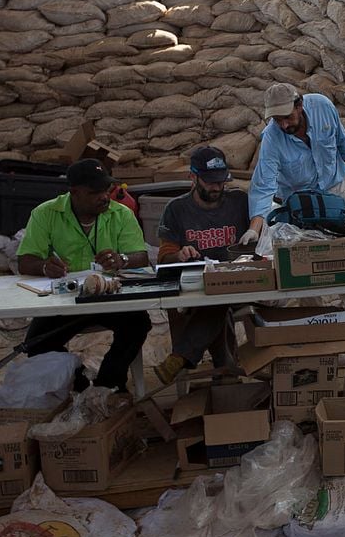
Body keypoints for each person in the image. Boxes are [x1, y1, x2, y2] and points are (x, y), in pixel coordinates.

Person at [17, 158, 151, 392]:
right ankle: (79, 382)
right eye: (95, 192)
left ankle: (109, 383)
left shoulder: (121, 214)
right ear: (74, 192)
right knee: (35, 343)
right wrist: (46, 268)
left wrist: (122, 260)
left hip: (109, 295)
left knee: (138, 324)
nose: (104, 197)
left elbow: (141, 256)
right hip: (65, 299)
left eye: (106, 190)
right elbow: (25, 261)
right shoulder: (45, 213)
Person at [153, 146, 251, 384]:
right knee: (214, 300)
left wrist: (254, 233)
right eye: (209, 182)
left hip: (237, 280)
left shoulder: (239, 202)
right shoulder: (176, 209)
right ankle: (225, 372)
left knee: (219, 294)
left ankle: (182, 356)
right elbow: (164, 256)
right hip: (196, 287)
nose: (216, 187)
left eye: (220, 181)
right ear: (193, 177)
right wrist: (179, 254)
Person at [244, 83, 345, 243]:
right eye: (277, 120)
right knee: (307, 253)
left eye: (287, 117)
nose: (284, 125)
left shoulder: (323, 107)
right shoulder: (272, 138)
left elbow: (342, 140)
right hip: (300, 205)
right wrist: (254, 229)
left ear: (299, 105)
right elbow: (264, 185)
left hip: (335, 192)